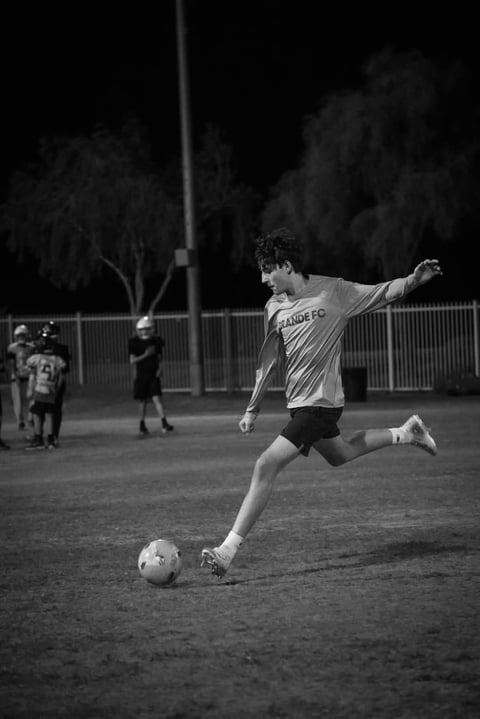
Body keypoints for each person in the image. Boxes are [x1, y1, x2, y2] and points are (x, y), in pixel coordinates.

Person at [201, 227, 443, 578]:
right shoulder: (274, 307)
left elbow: (378, 293)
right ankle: (408, 433)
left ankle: (226, 551)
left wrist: (413, 281)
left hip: (321, 403)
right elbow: (270, 357)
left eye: (267, 270)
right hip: (300, 404)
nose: (263, 278)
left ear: (285, 265)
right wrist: (253, 407)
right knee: (340, 454)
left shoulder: (333, 291)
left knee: (264, 466)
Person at [128, 316, 174, 436]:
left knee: (157, 398)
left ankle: (164, 423)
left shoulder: (155, 341)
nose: (144, 331)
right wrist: (145, 355)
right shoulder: (134, 342)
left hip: (153, 374)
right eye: (142, 329)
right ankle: (142, 425)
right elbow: (132, 361)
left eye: (147, 329)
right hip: (142, 375)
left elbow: (159, 358)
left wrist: (160, 368)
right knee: (142, 401)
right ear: (138, 330)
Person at [25, 331, 66, 450]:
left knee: (36, 414)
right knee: (49, 415)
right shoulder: (57, 359)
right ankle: (51, 439)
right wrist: (57, 388)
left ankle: (39, 439)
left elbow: (29, 365)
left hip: (40, 388)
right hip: (52, 389)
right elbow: (61, 376)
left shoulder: (37, 358)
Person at [41, 321, 71, 443]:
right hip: (42, 384)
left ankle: (52, 435)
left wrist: (59, 386)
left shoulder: (61, 349)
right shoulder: (39, 348)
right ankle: (43, 435)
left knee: (54, 410)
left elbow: (64, 371)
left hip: (53, 383)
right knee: (41, 410)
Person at [6, 324, 35, 431]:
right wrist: (14, 375)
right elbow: (11, 363)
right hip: (17, 376)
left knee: (32, 398)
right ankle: (20, 421)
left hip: (29, 375)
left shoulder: (31, 347)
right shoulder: (12, 348)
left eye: (23, 335)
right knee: (17, 400)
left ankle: (31, 418)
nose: (21, 337)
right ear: (16, 336)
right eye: (19, 335)